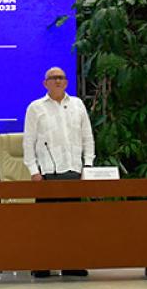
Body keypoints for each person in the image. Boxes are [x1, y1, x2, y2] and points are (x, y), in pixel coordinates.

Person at [22, 66, 95, 278]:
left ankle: (72, 263)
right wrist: (33, 171)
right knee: (46, 223)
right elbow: (28, 142)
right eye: (53, 78)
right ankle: (43, 264)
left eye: (61, 78)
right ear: (45, 83)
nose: (57, 81)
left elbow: (87, 138)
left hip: (73, 170)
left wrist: (87, 167)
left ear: (66, 82)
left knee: (72, 222)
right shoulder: (35, 108)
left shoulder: (78, 105)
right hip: (47, 173)